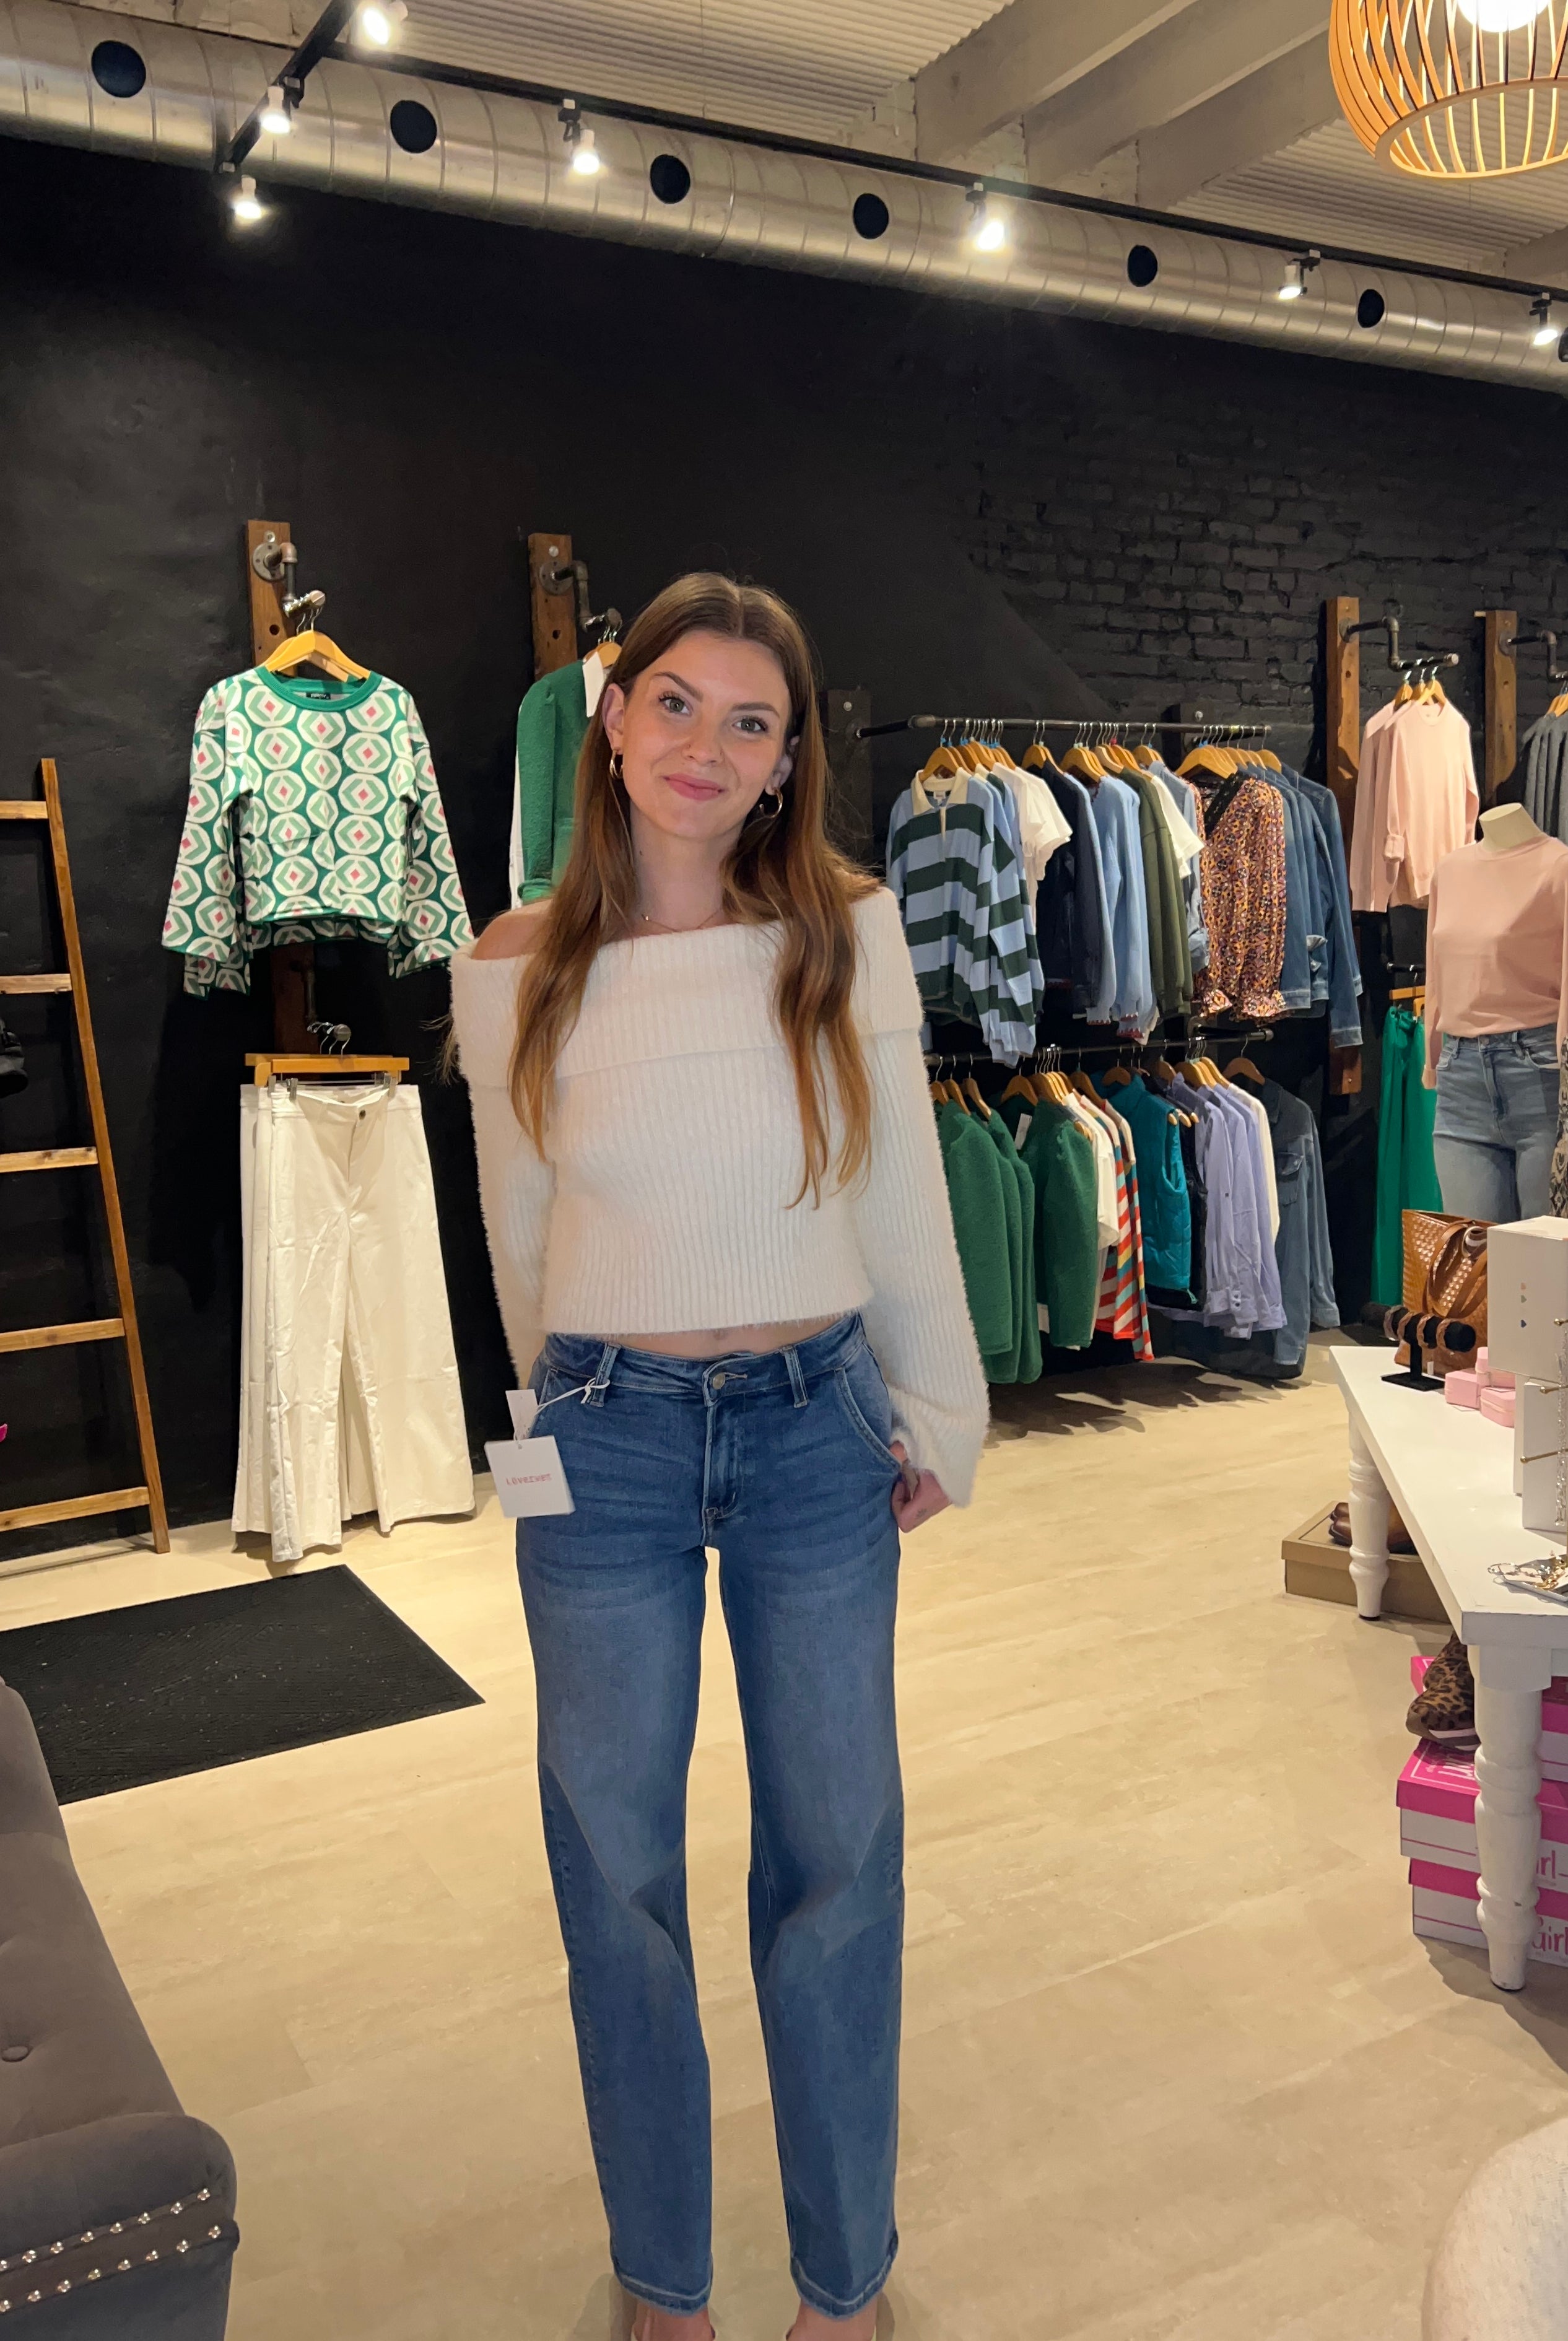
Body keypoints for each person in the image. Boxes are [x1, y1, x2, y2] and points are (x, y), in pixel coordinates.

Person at [451, 572, 988, 2339]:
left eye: (750, 721)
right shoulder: (514, 963)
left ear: (784, 760)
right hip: (601, 1440)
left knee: (838, 1857)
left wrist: (938, 1408)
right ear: (611, 715)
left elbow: (899, 1185)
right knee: (612, 1870)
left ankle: (845, 2284)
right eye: (675, 702)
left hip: (813, 1431)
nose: (706, 745)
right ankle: (662, 2284)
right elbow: (518, 1239)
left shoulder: (841, 932)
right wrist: (534, 1441)